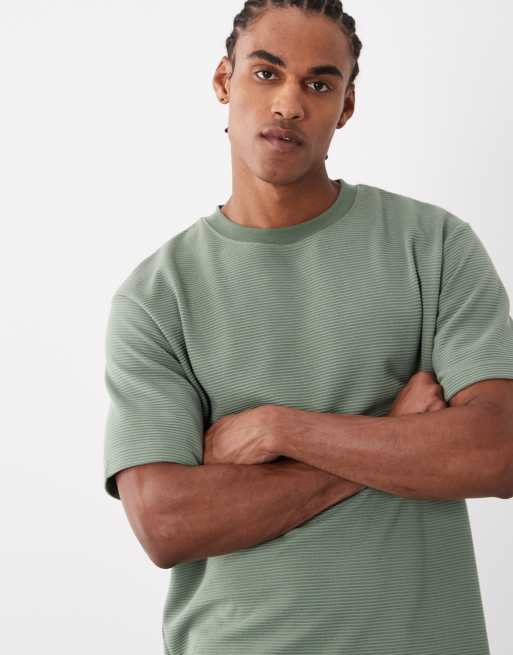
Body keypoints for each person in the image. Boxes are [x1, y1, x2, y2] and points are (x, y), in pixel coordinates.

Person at [103, 2, 513, 654]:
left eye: (319, 84)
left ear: (345, 106)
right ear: (223, 80)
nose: (289, 104)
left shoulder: (433, 246)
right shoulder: (157, 296)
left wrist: (278, 429)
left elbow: (497, 451)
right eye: (266, 73)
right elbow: (166, 522)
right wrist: (392, 435)